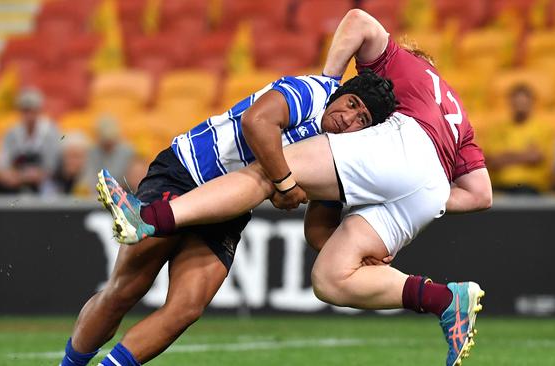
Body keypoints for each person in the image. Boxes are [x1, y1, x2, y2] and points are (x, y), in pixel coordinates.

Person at [98, 9, 492, 366]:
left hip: (407, 144)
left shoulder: (406, 68)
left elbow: (357, 20)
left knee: (271, 169)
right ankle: (445, 299)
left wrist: (328, 83)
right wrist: (382, 197)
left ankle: (148, 217)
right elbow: (479, 195)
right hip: (431, 190)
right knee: (333, 278)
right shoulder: (463, 123)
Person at [59, 71, 397, 366]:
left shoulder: (337, 155)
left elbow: (318, 229)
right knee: (126, 290)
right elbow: (257, 122)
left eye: (362, 120)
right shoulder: (313, 91)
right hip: (186, 173)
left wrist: (358, 254)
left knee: (187, 308)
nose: (349, 119)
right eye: (352, 104)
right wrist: (285, 182)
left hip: (226, 212)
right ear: (341, 94)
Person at [0, 87, 62, 194]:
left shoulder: (50, 132)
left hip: (43, 184)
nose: (29, 115)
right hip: (15, 183)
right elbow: (1, 163)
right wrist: (7, 175)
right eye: (25, 111)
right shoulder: (11, 134)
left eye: (33, 111)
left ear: (39, 111)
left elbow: (53, 166)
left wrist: (38, 174)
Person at [484, 84, 554, 194]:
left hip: (530, 186)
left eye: (524, 102)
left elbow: (537, 158)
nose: (520, 106)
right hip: (499, 185)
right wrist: (525, 155)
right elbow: (492, 161)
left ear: (532, 103)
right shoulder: (497, 129)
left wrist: (506, 156)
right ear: (510, 103)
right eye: (516, 102)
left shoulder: (544, 129)